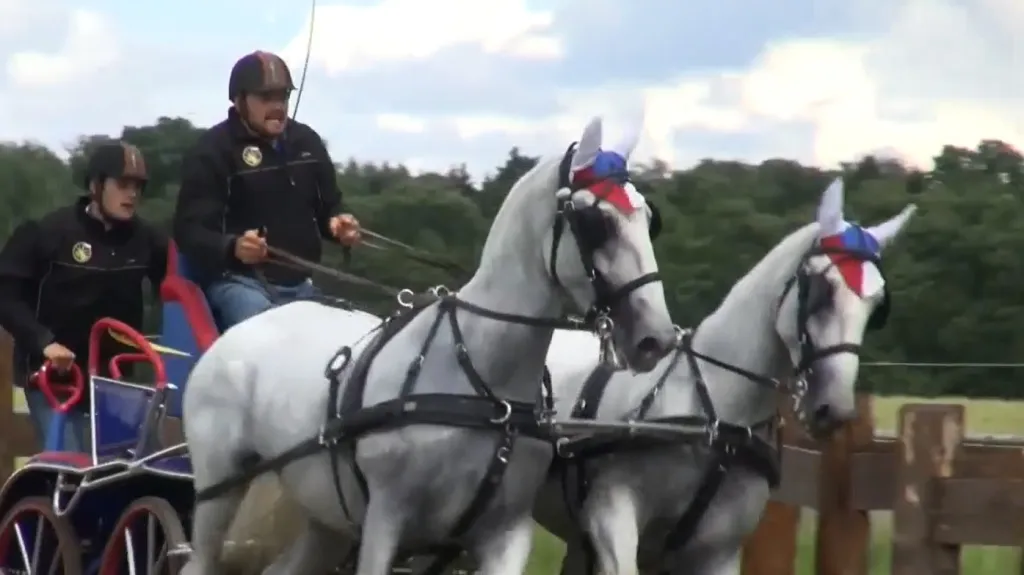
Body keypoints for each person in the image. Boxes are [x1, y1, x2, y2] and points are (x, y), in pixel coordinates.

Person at [173, 50, 361, 330]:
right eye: (266, 98)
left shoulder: (307, 141)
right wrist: (234, 247)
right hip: (238, 284)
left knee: (350, 333)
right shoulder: (212, 151)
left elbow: (329, 206)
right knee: (272, 335)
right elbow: (189, 232)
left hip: (302, 286)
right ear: (239, 101)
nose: (277, 106)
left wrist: (338, 223)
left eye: (283, 97)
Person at [0, 141, 167, 452]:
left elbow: (175, 288)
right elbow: (6, 296)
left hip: (113, 381)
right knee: (72, 463)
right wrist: (44, 342)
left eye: (138, 186)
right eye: (123, 184)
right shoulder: (46, 232)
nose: (132, 194)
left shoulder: (148, 240)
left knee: (142, 463)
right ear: (95, 186)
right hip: (55, 379)